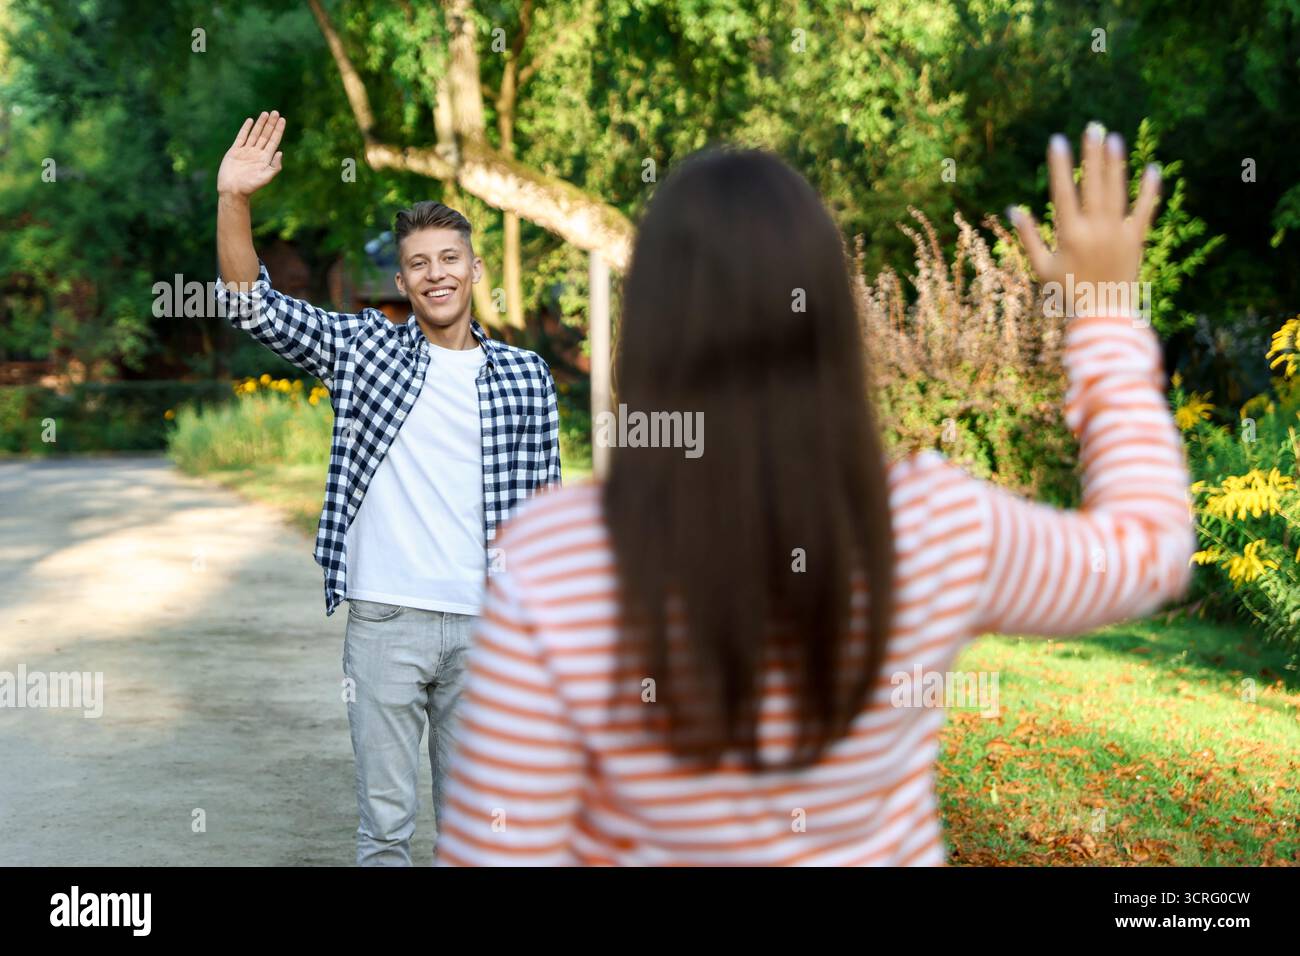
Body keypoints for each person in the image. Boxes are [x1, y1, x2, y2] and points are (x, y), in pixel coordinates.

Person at [433, 124, 1195, 865]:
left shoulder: (556, 563)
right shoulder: (934, 530)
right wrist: (1102, 316)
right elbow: (1150, 552)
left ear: (651, 333)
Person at [212, 111, 562, 866]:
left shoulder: (526, 377)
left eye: (450, 258)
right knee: (386, 833)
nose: (436, 273)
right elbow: (252, 305)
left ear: (474, 270)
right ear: (401, 280)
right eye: (419, 263)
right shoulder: (364, 350)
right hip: (388, 622)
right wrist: (234, 199)